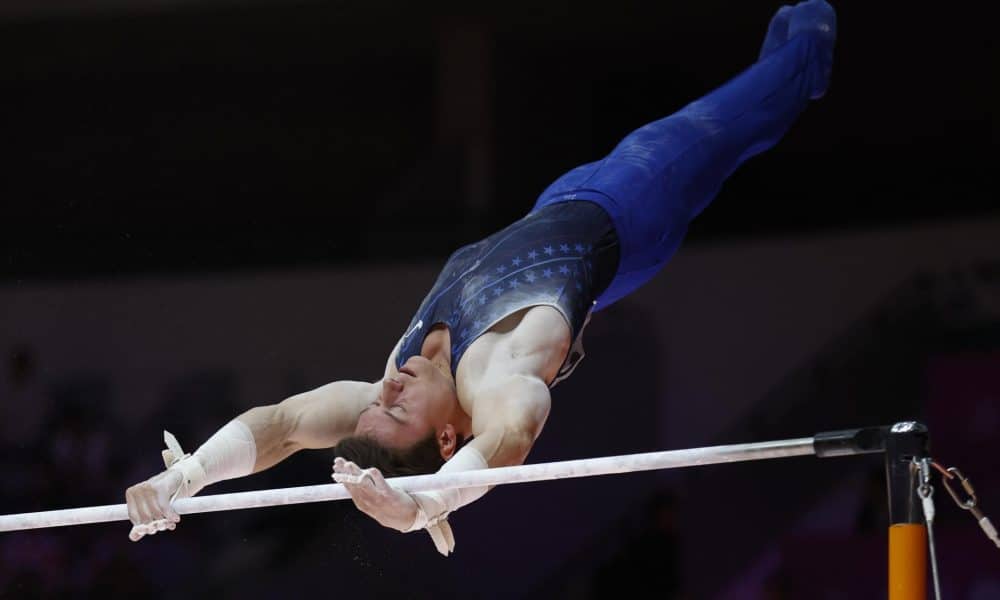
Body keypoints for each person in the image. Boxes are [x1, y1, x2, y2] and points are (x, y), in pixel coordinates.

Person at [125, 0, 837, 555]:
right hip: (629, 213)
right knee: (714, 129)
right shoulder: (496, 373)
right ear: (445, 442)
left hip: (555, 207)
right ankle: (808, 53)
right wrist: (429, 502)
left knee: (716, 131)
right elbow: (512, 436)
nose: (392, 384)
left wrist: (185, 477)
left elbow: (280, 427)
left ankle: (784, 64)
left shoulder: (392, 391)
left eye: (384, 396)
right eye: (398, 407)